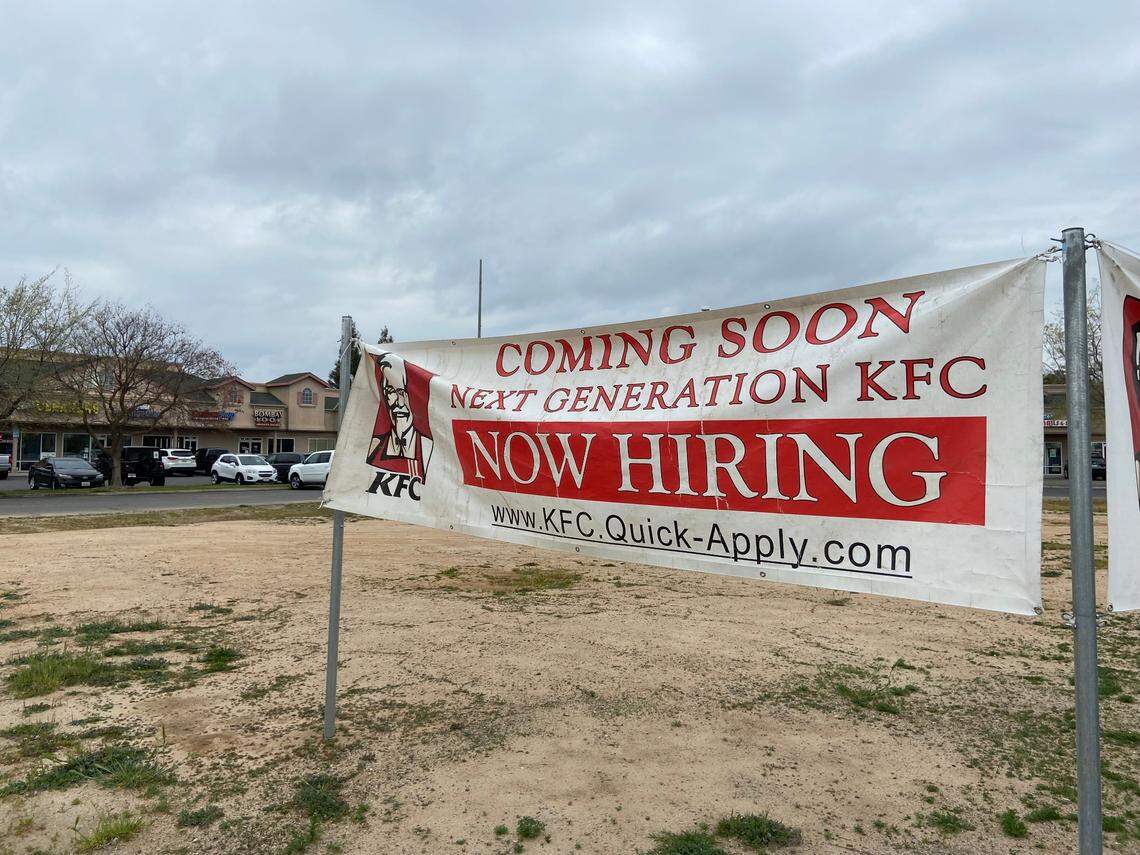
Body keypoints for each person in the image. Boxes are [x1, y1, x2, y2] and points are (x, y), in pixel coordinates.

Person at [366, 352, 434, 482]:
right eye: (391, 391)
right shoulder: (374, 446)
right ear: (385, 395)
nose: (400, 403)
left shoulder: (427, 447)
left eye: (402, 392)